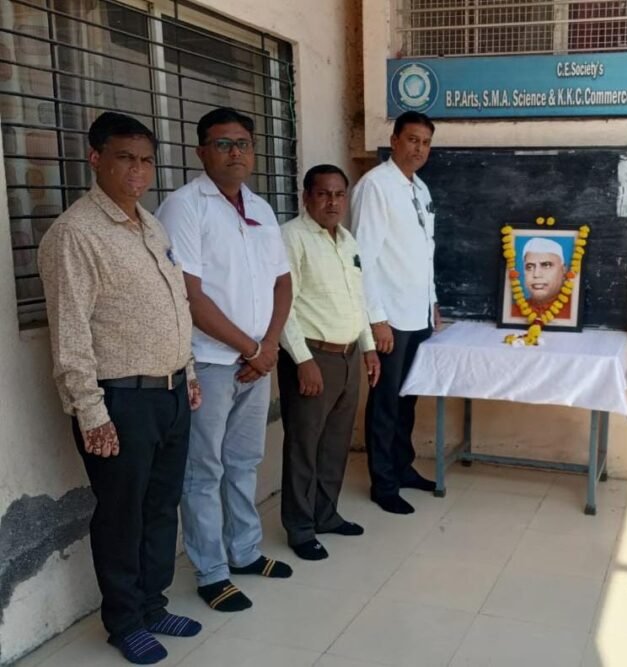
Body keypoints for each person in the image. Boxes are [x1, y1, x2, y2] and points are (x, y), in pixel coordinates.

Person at [38, 112, 202, 664]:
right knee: (121, 513)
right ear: (96, 159)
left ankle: (152, 604)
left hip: (170, 394)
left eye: (146, 160)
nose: (138, 170)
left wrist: (189, 373)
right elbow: (70, 334)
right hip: (120, 401)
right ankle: (125, 621)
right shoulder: (75, 234)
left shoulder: (150, 226)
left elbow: (175, 306)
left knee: (161, 507)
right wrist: (92, 412)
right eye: (125, 158)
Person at [157, 107, 294, 612]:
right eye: (222, 143)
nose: (235, 152)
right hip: (210, 363)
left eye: (243, 143)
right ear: (201, 152)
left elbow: (282, 282)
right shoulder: (184, 207)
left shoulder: (261, 208)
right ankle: (211, 572)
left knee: (244, 462)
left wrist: (269, 345)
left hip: (257, 362)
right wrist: (252, 348)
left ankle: (245, 551)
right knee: (203, 470)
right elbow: (189, 295)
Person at [278, 165, 382, 561]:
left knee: (335, 443)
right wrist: (302, 360)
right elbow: (283, 306)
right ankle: (300, 528)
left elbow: (358, 299)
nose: (332, 202)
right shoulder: (291, 237)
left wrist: (368, 347)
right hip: (312, 355)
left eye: (339, 194)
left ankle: (326, 514)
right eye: (323, 194)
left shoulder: (347, 239)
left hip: (348, 355)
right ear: (306, 197)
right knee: (304, 446)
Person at [350, 111, 440, 515]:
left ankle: (403, 468)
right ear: (395, 141)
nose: (419, 148)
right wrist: (376, 318)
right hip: (390, 317)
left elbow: (425, 253)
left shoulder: (419, 187)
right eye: (412, 139)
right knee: (386, 401)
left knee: (407, 399)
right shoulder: (376, 186)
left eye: (425, 142)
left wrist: (432, 302)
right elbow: (363, 258)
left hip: (417, 314)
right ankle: (383, 483)